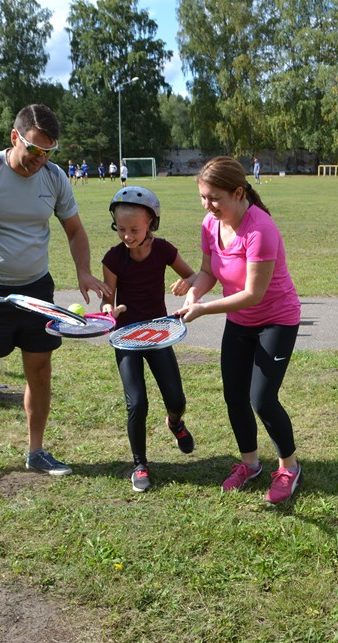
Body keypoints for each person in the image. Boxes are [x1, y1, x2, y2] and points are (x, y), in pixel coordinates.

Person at [0, 103, 109, 485]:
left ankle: (36, 452)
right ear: (15, 137)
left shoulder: (53, 177)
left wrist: (83, 271)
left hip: (37, 289)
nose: (41, 160)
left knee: (40, 370)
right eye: (34, 150)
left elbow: (75, 230)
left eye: (49, 152)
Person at [176, 156, 302, 505]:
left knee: (261, 399)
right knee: (234, 396)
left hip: (276, 320)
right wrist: (193, 292)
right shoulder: (209, 224)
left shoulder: (261, 229)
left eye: (214, 197)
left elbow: (252, 294)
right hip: (240, 322)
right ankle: (250, 464)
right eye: (203, 196)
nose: (207, 205)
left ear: (238, 192)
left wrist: (202, 310)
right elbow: (207, 271)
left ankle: (289, 467)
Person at [102, 186, 197, 493]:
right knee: (137, 403)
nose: (127, 236)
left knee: (176, 399)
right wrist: (109, 310)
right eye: (121, 229)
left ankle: (176, 423)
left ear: (151, 224)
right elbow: (107, 299)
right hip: (125, 337)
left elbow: (194, 276)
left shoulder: (164, 250)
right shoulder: (113, 259)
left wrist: (186, 282)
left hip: (158, 333)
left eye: (134, 229)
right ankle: (140, 464)